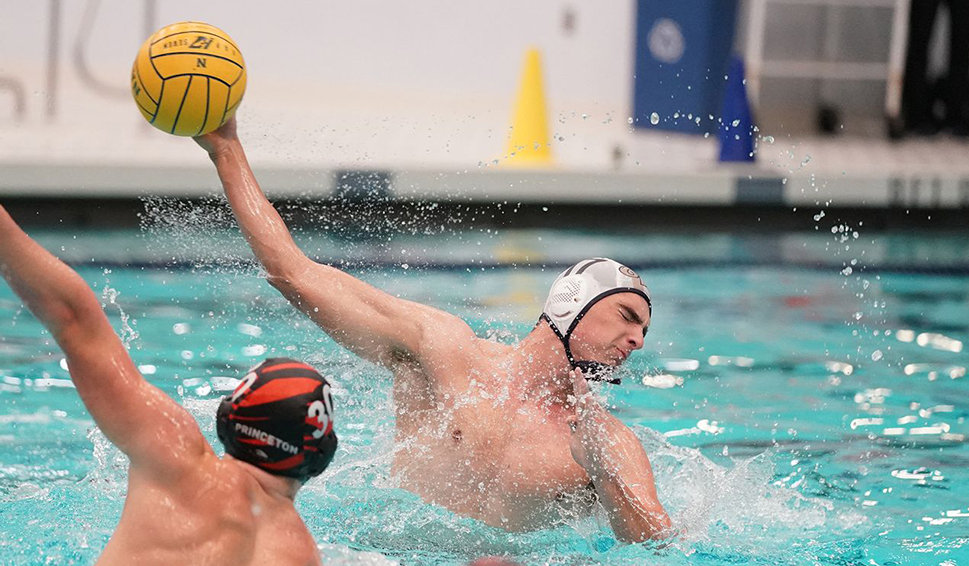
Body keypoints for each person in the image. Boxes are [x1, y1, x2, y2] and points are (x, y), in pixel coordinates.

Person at [194, 118, 673, 543]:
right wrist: (226, 147)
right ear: (571, 303)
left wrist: (605, 477)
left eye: (645, 330)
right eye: (628, 316)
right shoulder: (445, 350)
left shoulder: (606, 439)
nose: (638, 340)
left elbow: (659, 544)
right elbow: (293, 273)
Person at [0, 204, 338, 565]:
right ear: (319, 455)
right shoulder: (302, 554)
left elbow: (74, 318)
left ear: (229, 418)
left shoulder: (178, 458)